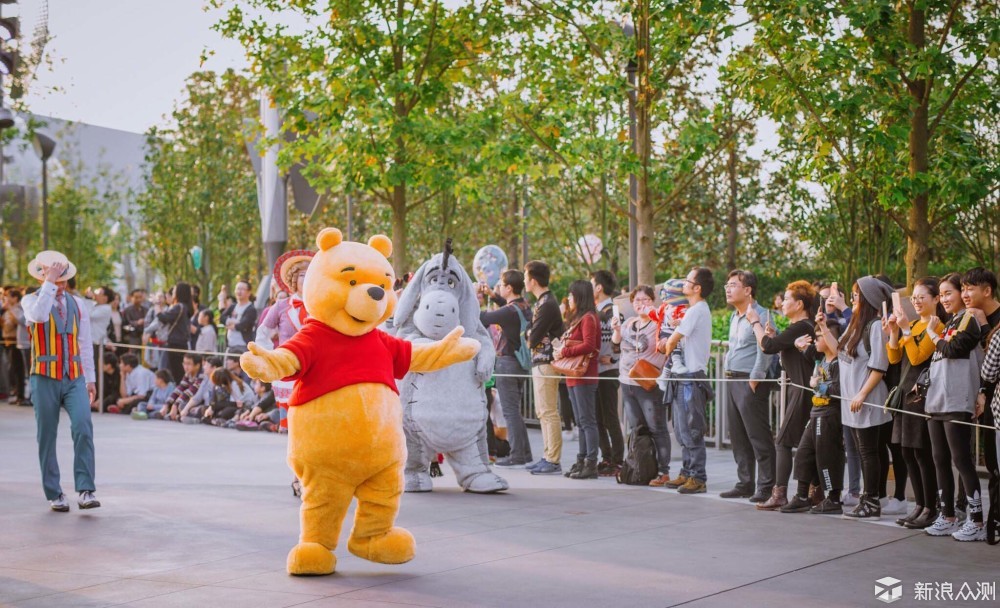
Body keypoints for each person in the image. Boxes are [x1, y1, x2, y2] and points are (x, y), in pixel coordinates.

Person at [22, 251, 100, 511]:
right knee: (47, 434)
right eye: (58, 277)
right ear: (42, 276)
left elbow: (84, 342)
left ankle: (86, 489)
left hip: (74, 375)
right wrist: (49, 284)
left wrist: (90, 378)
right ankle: (54, 493)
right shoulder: (30, 300)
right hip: (43, 376)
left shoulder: (78, 304)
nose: (61, 284)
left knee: (83, 426)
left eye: (64, 278)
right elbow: (40, 317)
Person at [825, 276, 893, 520]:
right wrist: (823, 327)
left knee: (868, 452)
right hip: (851, 400)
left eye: (855, 295)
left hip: (866, 399)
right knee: (864, 450)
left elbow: (879, 366)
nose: (852, 299)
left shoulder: (875, 326)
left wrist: (862, 394)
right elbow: (838, 351)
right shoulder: (855, 323)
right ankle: (871, 498)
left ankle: (871, 500)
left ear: (866, 298)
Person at [923, 273, 985, 541]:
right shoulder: (949, 323)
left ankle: (977, 520)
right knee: (939, 459)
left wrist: (931, 335)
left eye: (950, 293)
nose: (945, 299)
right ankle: (947, 515)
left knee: (962, 460)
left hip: (957, 399)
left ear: (963, 293)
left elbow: (954, 350)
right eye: (942, 294)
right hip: (937, 400)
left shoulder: (969, 318)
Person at [748, 280, 818, 511]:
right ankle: (814, 491)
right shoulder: (800, 327)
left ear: (799, 304)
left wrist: (755, 322)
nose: (782, 303)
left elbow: (767, 346)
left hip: (803, 391)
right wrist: (775, 335)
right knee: (805, 444)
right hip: (801, 390)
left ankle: (780, 493)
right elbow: (777, 344)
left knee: (784, 441)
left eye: (787, 299)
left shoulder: (801, 326)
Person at [883, 277, 941, 529]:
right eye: (914, 298)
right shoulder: (914, 324)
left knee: (921, 452)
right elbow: (894, 358)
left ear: (936, 299)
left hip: (921, 397)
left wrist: (906, 330)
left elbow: (918, 358)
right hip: (905, 395)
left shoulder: (936, 327)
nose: (916, 302)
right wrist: (894, 332)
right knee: (906, 451)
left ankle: (931, 506)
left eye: (922, 297)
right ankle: (918, 504)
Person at [656, 267, 715, 494]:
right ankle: (687, 472)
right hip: (682, 377)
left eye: (688, 280)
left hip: (691, 377)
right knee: (682, 430)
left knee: (691, 430)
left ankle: (698, 477)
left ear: (697, 288)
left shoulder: (696, 310)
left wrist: (666, 344)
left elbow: (671, 342)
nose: (683, 284)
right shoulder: (693, 309)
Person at [721, 270, 777, 503]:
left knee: (758, 435)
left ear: (748, 290)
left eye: (733, 284)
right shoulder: (735, 316)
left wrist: (756, 377)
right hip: (732, 378)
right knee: (738, 435)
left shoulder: (762, 315)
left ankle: (766, 486)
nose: (727, 288)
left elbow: (766, 348)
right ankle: (745, 482)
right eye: (727, 284)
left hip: (750, 381)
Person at [612, 285, 670, 485]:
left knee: (657, 427)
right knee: (638, 428)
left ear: (653, 302)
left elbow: (665, 348)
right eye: (637, 300)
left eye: (645, 300)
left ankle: (664, 471)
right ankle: (642, 467)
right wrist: (617, 331)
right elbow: (616, 344)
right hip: (626, 381)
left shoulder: (658, 324)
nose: (641, 304)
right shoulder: (629, 322)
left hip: (647, 383)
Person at [788, 318, 846, 514]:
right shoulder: (820, 357)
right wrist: (798, 345)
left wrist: (818, 385)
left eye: (820, 336)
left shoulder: (839, 362)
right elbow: (805, 350)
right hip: (816, 412)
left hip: (830, 413)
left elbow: (839, 389)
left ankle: (833, 498)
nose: (816, 340)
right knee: (803, 453)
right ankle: (802, 495)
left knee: (827, 457)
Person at [479, 269, 534, 467]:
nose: (499, 287)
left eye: (501, 285)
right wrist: (494, 296)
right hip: (519, 364)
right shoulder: (523, 306)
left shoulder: (509, 311)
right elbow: (506, 307)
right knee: (515, 411)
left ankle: (518, 455)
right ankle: (524, 454)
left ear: (509, 288)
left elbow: (483, 317)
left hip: (507, 363)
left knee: (511, 412)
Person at [961, 267, 1000, 543]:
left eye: (970, 288)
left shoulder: (993, 322)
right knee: (993, 463)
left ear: (987, 290)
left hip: (994, 403)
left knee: (996, 465)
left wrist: (985, 325)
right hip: (987, 403)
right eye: (962, 288)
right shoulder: (967, 318)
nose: (965, 294)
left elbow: (990, 366)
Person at [255, 250, 314, 433]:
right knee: (287, 427)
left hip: (313, 367)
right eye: (302, 275)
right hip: (287, 368)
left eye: (311, 274)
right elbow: (262, 333)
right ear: (293, 279)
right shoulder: (280, 306)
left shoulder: (321, 307)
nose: (306, 279)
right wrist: (271, 357)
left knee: (309, 419)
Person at [554, 280, 601, 480]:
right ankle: (582, 459)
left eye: (572, 295)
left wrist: (565, 350)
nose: (569, 299)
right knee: (581, 421)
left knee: (587, 421)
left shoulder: (589, 318)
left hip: (584, 375)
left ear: (579, 297)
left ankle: (591, 462)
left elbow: (590, 345)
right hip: (574, 376)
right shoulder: (579, 318)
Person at [523, 261, 565, 475]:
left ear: (533, 280)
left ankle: (553, 459)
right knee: (543, 411)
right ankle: (547, 455)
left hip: (546, 362)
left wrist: (530, 333)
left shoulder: (547, 303)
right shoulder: (543, 302)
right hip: (540, 362)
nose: (523, 281)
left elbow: (532, 337)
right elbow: (530, 331)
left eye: (525, 277)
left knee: (548, 412)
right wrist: (530, 332)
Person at [590, 270, 624, 476]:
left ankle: (618, 460)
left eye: (591, 283)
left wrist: (613, 359)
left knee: (610, 417)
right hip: (596, 371)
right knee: (597, 418)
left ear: (599, 287)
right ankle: (606, 457)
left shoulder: (612, 311)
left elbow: (621, 338)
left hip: (608, 371)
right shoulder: (594, 310)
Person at [157, 282, 195, 385]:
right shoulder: (186, 307)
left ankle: (180, 396)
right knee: (180, 372)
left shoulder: (179, 307)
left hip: (174, 343)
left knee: (176, 373)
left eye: (174, 291)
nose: (173, 292)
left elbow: (164, 318)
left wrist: (157, 307)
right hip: (182, 343)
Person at [153, 353, 203, 421]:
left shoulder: (202, 375)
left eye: (188, 364)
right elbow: (180, 388)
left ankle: (183, 417)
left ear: (197, 365)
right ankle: (172, 414)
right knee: (172, 402)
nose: (185, 366)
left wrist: (176, 404)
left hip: (199, 401)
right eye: (184, 363)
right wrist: (167, 404)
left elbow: (191, 391)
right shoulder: (188, 374)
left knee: (181, 405)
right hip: (189, 399)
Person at [2, 288, 27, 405]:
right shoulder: (10, 309)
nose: (7, 299)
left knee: (19, 370)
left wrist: (10, 310)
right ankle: (17, 393)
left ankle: (21, 395)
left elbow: (19, 321)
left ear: (15, 298)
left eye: (9, 296)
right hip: (10, 341)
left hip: (17, 342)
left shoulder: (19, 308)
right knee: (14, 369)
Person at [220, 280, 257, 353]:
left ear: (249, 293)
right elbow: (222, 318)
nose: (239, 291)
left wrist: (233, 325)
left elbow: (243, 325)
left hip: (243, 346)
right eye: (237, 289)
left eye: (242, 289)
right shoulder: (233, 306)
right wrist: (232, 322)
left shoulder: (251, 309)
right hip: (230, 345)